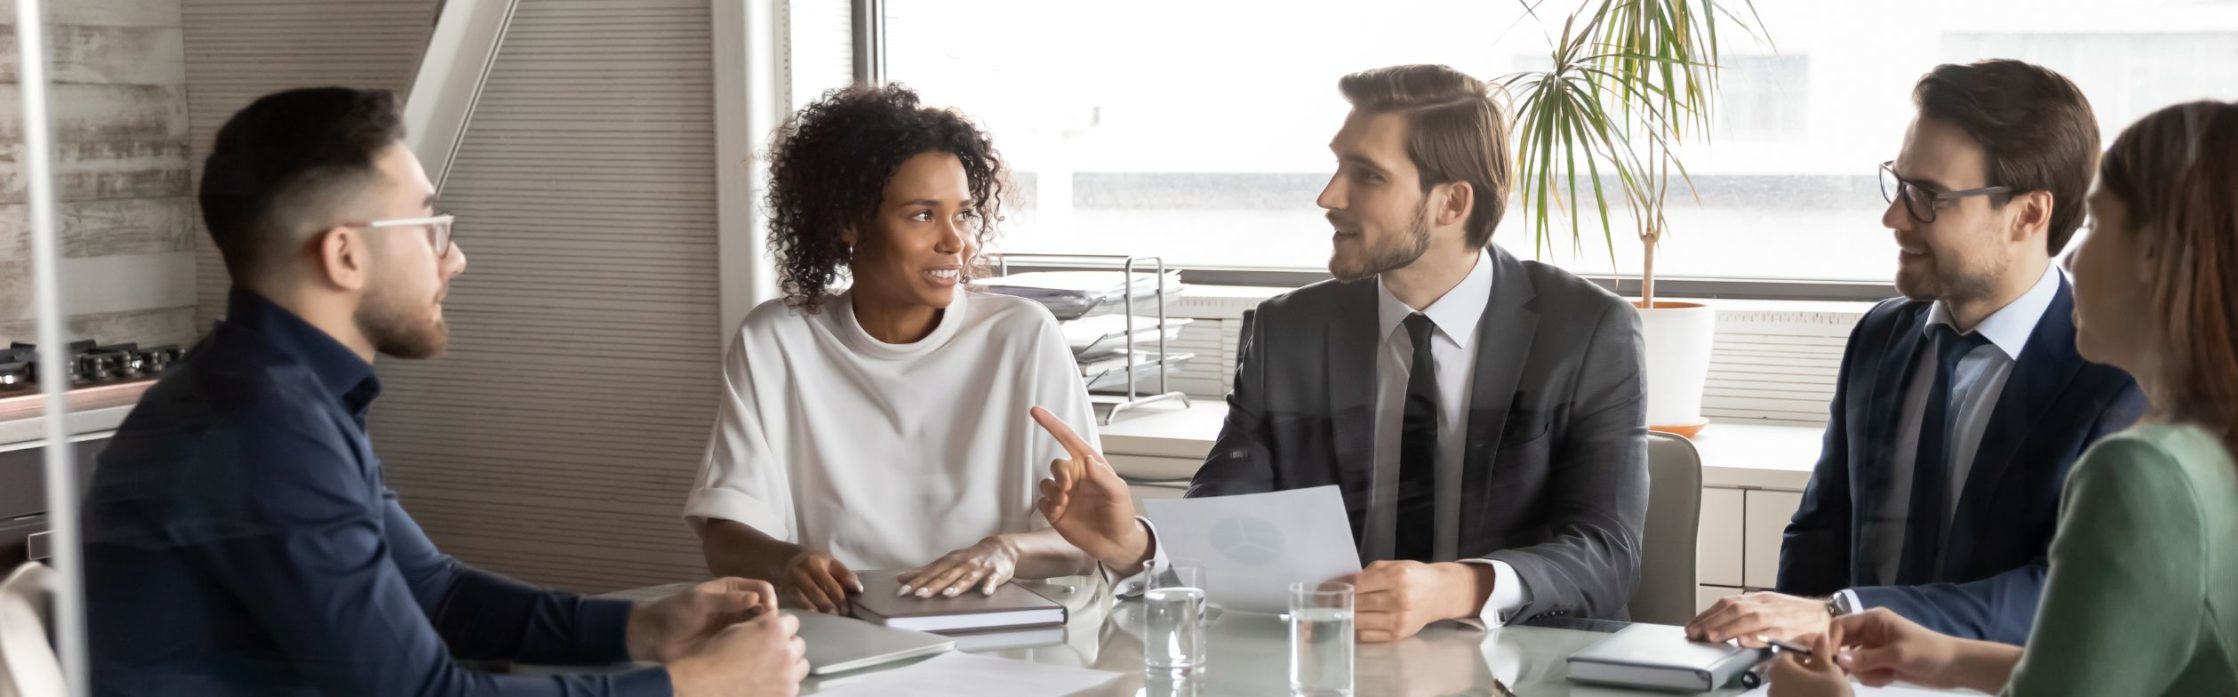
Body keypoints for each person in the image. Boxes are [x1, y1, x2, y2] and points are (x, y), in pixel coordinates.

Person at [82, 88, 807, 696]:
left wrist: (640, 628)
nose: (454, 257)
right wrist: (690, 686)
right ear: (345, 254)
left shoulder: (277, 395)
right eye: (431, 225)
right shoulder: (264, 429)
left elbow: (435, 592)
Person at [1766, 100, 2238, 697]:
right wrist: (1949, 657)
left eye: (2101, 222)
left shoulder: (2148, 472)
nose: (2074, 254)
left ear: (2166, 262)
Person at [1032, 64, 1650, 643]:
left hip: (1521, 663)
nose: (1329, 196)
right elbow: (1232, 509)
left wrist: (1457, 587)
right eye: (1337, 167)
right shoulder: (1289, 329)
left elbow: (1606, 553)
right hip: (1332, 659)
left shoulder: (1586, 331)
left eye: (1367, 175)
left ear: (1452, 204)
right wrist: (1136, 546)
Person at [1692, 59, 2145, 647]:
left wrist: (1844, 614)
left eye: (1928, 196)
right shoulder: (1880, 337)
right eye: (1899, 183)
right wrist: (1783, 650)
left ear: (2028, 215)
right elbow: (1820, 532)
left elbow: (2064, 590)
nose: (1894, 217)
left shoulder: (2115, 376)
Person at [684, 84, 1101, 613]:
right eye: (923, 215)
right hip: (842, 626)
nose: (955, 242)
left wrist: (1006, 550)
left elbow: (1088, 541)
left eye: (963, 214)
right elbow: (724, 534)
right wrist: (787, 561)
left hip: (997, 626)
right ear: (849, 222)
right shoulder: (777, 340)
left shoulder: (1022, 335)